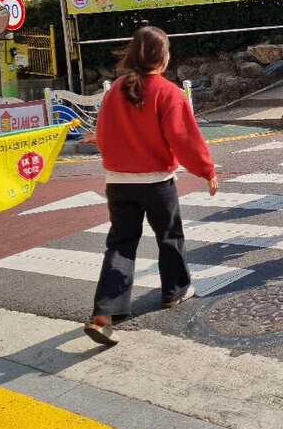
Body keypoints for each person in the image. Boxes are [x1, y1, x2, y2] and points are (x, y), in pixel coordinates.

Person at [87, 26, 219, 345]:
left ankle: (104, 312)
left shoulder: (115, 89)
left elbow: (102, 135)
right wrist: (207, 170)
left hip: (117, 182)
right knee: (169, 236)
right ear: (163, 56)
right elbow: (184, 137)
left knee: (120, 243)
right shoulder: (167, 91)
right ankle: (174, 292)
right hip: (156, 181)